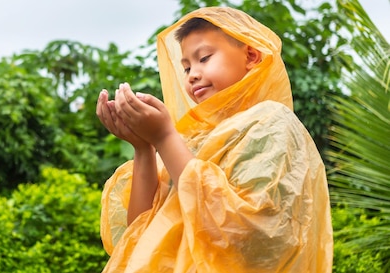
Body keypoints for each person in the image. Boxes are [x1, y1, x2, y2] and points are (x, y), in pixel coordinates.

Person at [95, 6, 333, 273]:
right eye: (186, 68)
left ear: (251, 56)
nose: (192, 74)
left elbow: (250, 236)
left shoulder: (271, 122)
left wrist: (163, 136)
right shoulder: (192, 139)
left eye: (204, 58)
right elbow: (139, 232)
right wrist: (143, 147)